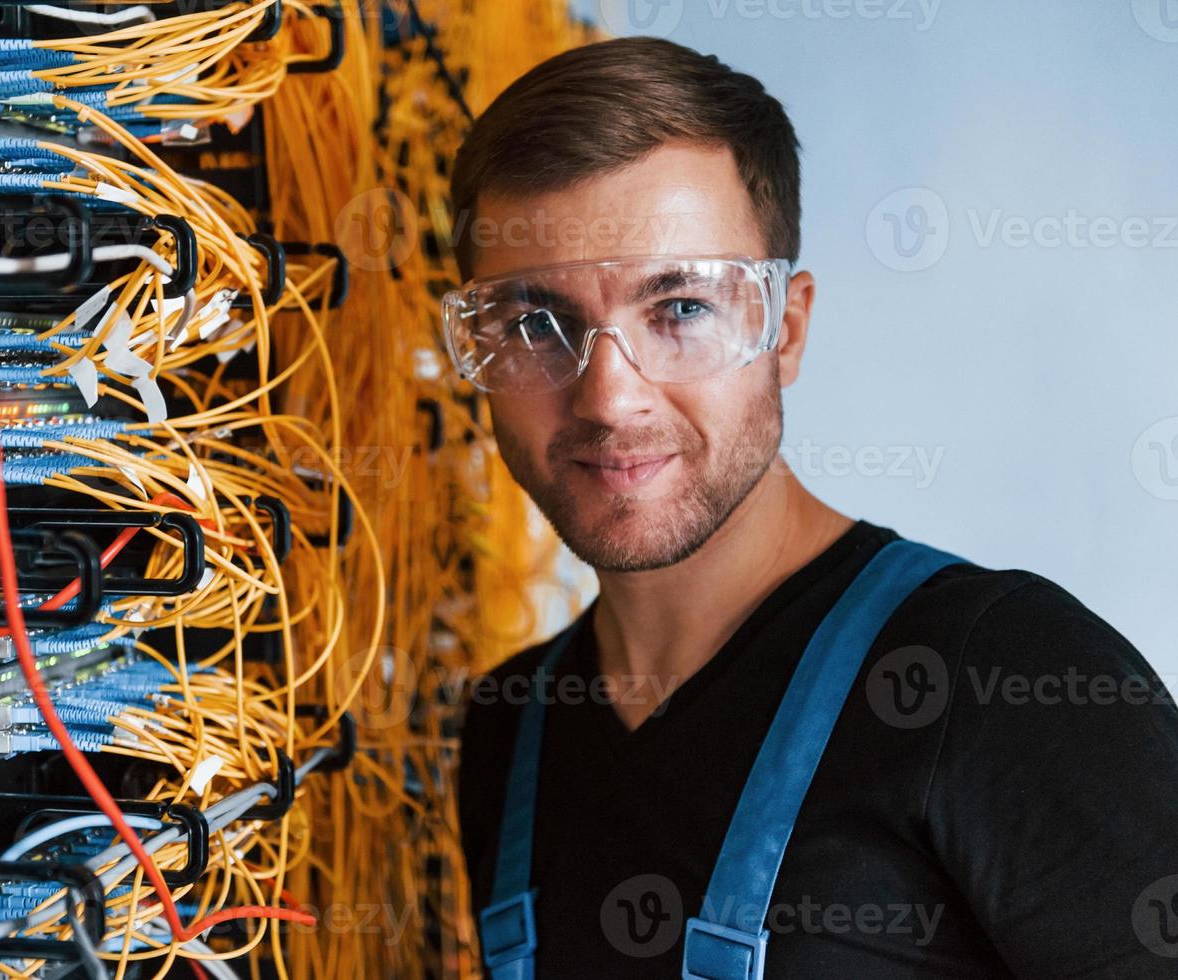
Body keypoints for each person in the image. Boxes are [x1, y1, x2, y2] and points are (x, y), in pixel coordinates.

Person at [447, 36, 1178, 978]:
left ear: (784, 331)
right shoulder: (509, 734)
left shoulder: (1000, 677)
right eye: (536, 324)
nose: (608, 400)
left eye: (678, 310)